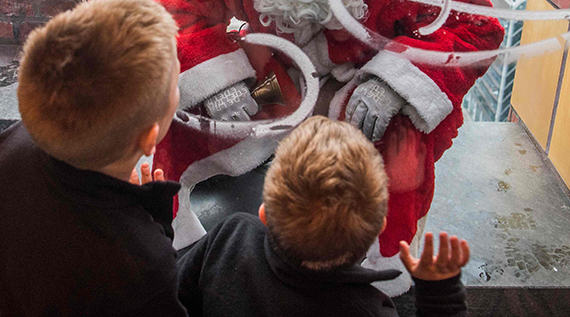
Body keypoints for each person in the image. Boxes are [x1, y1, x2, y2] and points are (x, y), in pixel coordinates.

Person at [152, 0, 503, 290]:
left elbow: (476, 26)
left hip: (356, 94)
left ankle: (384, 266)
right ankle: (167, 238)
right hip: (269, 86)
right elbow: (171, 7)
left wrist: (390, 82)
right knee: (178, 112)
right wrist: (216, 73)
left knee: (401, 136)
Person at [0, 0, 187, 317]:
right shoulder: (141, 264)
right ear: (150, 137)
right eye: (176, 86)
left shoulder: (5, 149)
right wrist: (156, 224)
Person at [176, 116, 470, 316]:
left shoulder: (231, 239)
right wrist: (440, 295)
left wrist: (153, 220)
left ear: (264, 214)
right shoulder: (368, 309)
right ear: (379, 228)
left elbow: (167, 292)